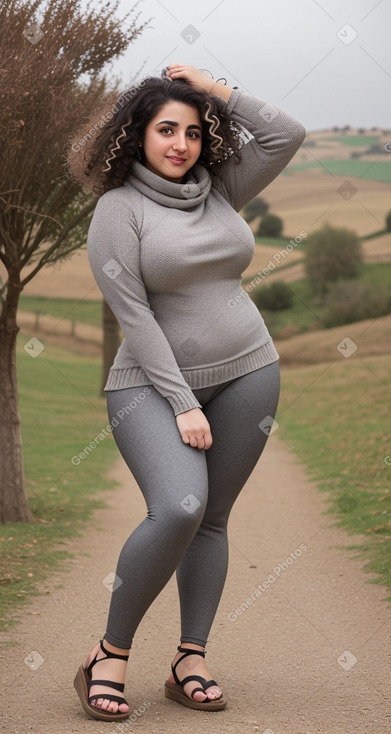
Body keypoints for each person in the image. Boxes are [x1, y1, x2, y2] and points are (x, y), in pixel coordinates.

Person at [69, 64, 306, 721]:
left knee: (212, 518)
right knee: (178, 506)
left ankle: (188, 658)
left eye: (195, 131)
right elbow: (134, 319)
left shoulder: (219, 188)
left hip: (250, 369)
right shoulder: (116, 211)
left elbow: (286, 133)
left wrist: (214, 87)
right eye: (165, 129)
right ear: (134, 135)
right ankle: (108, 654)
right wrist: (181, 403)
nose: (180, 143)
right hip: (148, 384)